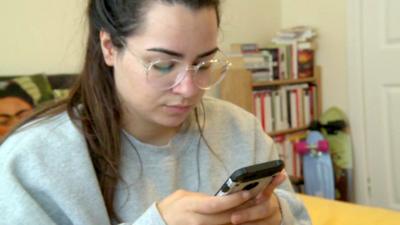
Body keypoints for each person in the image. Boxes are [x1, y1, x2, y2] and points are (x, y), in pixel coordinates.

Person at [0, 0, 311, 224]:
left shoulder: (240, 129)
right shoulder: (33, 161)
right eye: (163, 65)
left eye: (203, 64)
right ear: (109, 47)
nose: (189, 89)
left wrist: (277, 217)